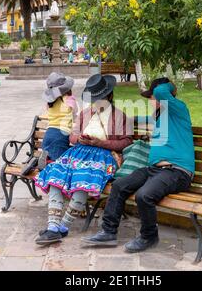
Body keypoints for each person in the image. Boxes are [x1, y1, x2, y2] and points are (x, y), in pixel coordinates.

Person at [82, 77, 195, 252]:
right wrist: (123, 117)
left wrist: (163, 87)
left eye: (152, 98)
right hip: (156, 170)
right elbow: (141, 117)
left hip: (177, 172)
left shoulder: (179, 109)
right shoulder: (158, 118)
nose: (150, 101)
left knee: (144, 195)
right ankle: (108, 232)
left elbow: (162, 91)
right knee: (119, 185)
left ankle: (149, 237)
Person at [34, 74, 133, 245]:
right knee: (55, 173)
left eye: (100, 99)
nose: (96, 103)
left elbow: (126, 142)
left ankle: (63, 226)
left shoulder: (120, 116)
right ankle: (53, 227)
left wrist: (100, 143)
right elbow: (71, 136)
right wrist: (78, 139)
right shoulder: (85, 114)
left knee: (83, 176)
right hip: (78, 153)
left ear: (109, 96)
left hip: (104, 156)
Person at [42, 72, 78, 163]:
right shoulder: (70, 99)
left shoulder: (50, 102)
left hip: (48, 134)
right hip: (61, 135)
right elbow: (75, 114)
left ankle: (43, 162)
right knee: (59, 163)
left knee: (51, 159)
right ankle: (47, 163)